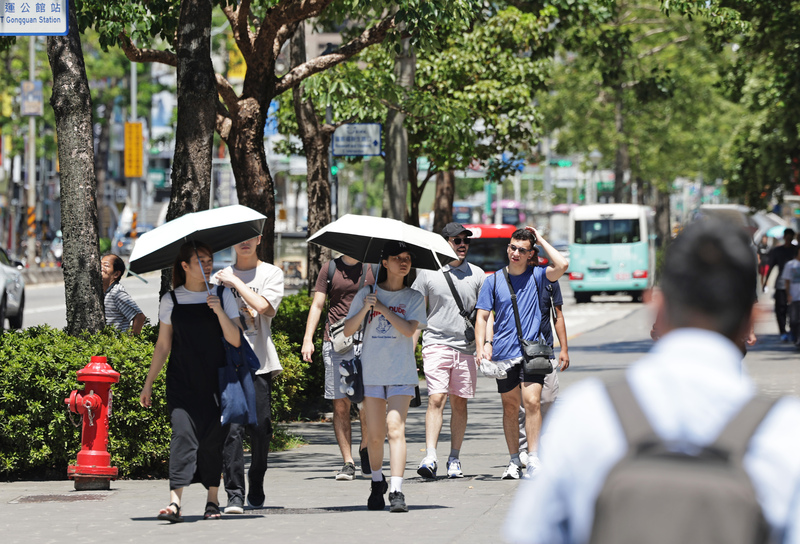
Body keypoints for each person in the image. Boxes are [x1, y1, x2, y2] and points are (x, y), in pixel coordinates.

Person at [504, 219, 800, 544]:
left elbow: (531, 534)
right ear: (752, 317)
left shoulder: (589, 414)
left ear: (657, 304)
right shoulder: (783, 433)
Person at [139, 241, 242, 523]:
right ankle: (175, 503)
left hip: (217, 384)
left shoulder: (223, 295)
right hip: (182, 383)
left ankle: (212, 501)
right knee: (182, 437)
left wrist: (219, 310)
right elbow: (163, 346)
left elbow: (235, 339)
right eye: (201, 261)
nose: (208, 266)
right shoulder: (171, 300)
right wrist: (148, 383)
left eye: (210, 261)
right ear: (184, 266)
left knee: (211, 443)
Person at [474, 227, 568, 480]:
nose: (515, 253)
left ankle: (534, 457)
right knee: (510, 407)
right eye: (513, 247)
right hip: (504, 354)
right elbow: (482, 316)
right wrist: (481, 345)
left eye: (522, 250)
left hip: (532, 352)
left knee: (532, 402)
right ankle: (514, 460)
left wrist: (540, 238)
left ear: (530, 254)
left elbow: (563, 264)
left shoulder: (538, 276)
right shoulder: (493, 281)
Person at [344, 241, 427, 513]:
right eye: (397, 258)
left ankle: (397, 489)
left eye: (407, 258)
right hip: (371, 373)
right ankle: (377, 482)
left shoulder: (413, 298)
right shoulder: (367, 292)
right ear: (385, 263)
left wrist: (382, 307)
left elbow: (407, 330)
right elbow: (347, 329)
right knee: (376, 436)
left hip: (401, 372)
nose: (403, 262)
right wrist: (367, 308)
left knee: (396, 429)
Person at [212, 235, 284, 514]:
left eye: (249, 238)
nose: (244, 243)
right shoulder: (220, 277)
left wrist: (237, 283)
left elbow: (265, 308)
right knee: (232, 429)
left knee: (261, 427)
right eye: (238, 238)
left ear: (259, 240)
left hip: (259, 363)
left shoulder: (271, 273)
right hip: (229, 364)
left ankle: (257, 475)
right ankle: (234, 493)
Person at [411, 222, 485, 479]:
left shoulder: (477, 275)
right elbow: (417, 317)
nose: (462, 244)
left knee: (459, 403)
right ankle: (430, 455)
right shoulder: (428, 273)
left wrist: (485, 344)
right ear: (445, 243)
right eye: (457, 240)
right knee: (436, 398)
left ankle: (454, 458)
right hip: (436, 343)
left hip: (465, 348)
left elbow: (485, 316)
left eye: (466, 240)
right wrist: (410, 353)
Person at [301, 254, 376, 480]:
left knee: (366, 403)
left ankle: (365, 448)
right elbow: (318, 304)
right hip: (336, 343)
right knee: (340, 403)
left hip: (367, 342)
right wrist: (308, 338)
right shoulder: (330, 268)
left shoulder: (373, 268)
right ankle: (348, 462)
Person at [517, 245, 570, 464]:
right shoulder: (514, 279)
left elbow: (558, 315)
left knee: (548, 398)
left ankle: (544, 442)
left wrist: (564, 348)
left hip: (544, 349)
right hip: (520, 349)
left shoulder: (549, 281)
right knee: (525, 403)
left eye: (534, 256)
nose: (531, 260)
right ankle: (525, 448)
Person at [764, 228, 797, 341]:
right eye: (786, 238)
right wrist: (766, 281)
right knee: (780, 309)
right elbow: (770, 266)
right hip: (781, 284)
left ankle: (794, 331)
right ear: (784, 237)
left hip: (795, 285)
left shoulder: (796, 250)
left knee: (794, 310)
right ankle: (783, 332)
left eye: (790, 238)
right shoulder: (777, 251)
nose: (788, 240)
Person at [101, 253, 146, 334]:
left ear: (116, 274)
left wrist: (132, 342)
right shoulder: (101, 291)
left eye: (106, 265)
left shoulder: (117, 293)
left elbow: (139, 316)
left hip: (116, 344)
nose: (101, 268)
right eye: (100, 264)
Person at [781, 248, 800, 347]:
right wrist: (788, 294)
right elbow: (787, 281)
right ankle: (796, 336)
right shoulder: (790, 264)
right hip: (794, 296)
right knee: (794, 320)